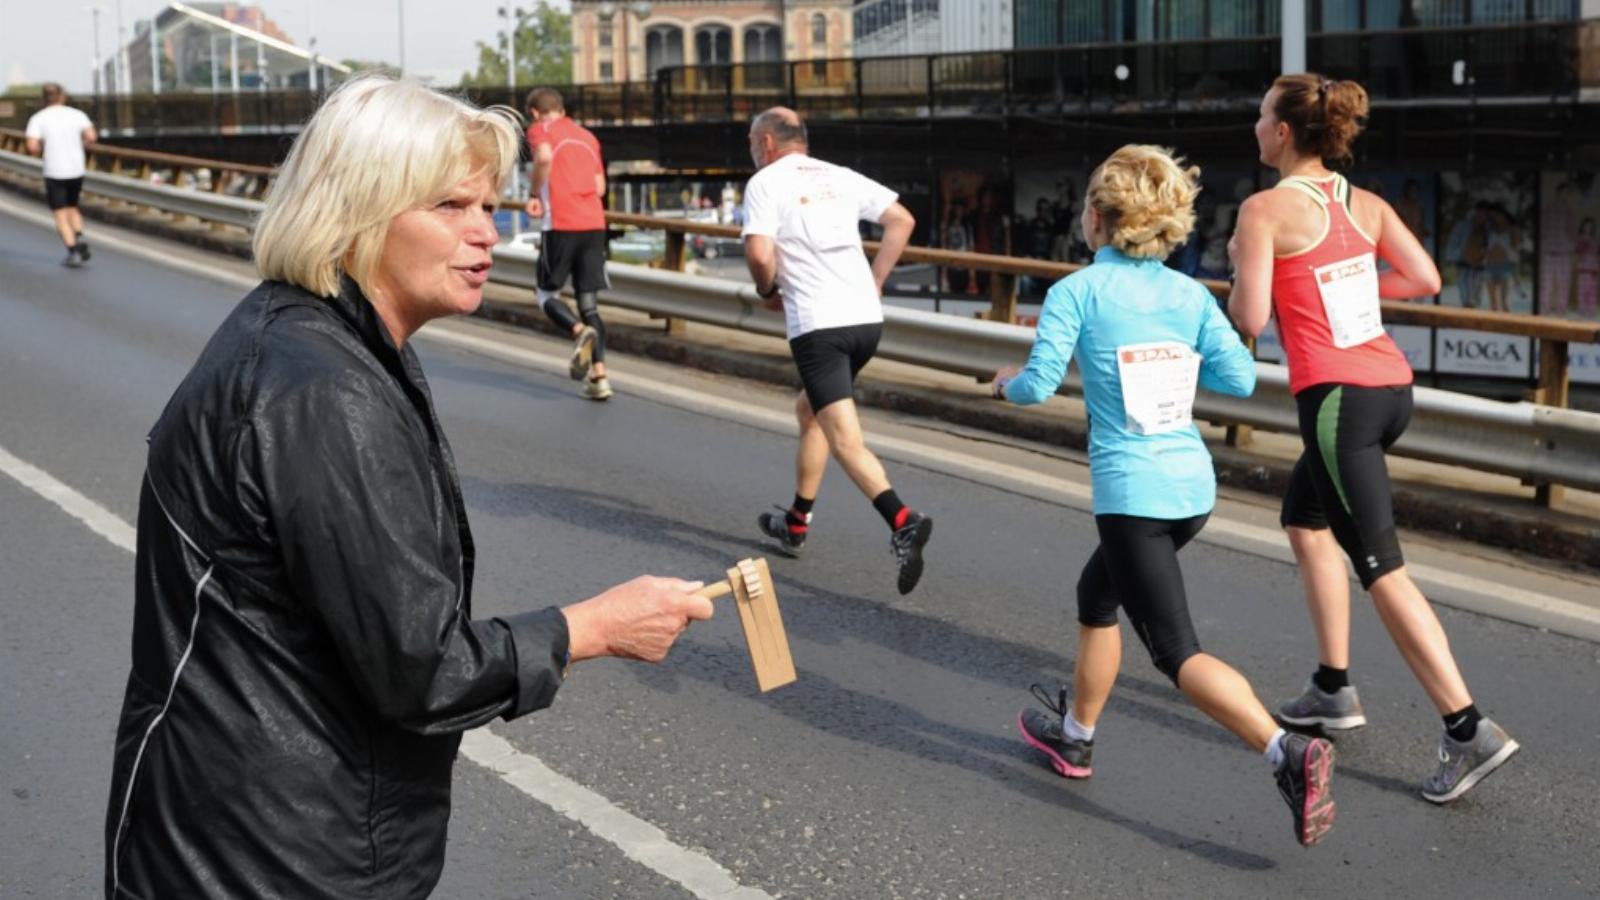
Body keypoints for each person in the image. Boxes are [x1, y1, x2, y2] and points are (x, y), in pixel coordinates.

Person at [104, 77, 714, 900]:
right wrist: (595, 627)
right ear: (359, 210)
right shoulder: (324, 387)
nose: (485, 234)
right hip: (269, 858)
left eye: (490, 207)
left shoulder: (312, 343)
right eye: (452, 207)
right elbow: (421, 667)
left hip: (244, 829)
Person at [996, 145, 1336, 848]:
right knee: (1097, 597)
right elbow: (1241, 382)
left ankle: (1285, 752)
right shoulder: (1188, 296)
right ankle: (1077, 737)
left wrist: (1004, 381)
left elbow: (1035, 385)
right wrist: (1176, 350)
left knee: (1176, 652)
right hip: (1190, 491)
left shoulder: (1077, 293)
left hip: (1134, 497)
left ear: (1096, 217)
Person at [1228, 74, 1518, 805]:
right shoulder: (1367, 203)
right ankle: (1332, 686)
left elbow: (1250, 319)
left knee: (1381, 568)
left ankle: (1466, 727)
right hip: (1389, 389)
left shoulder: (1263, 211)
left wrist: (1241, 264)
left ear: (1286, 132)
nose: (1256, 124)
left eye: (1263, 115)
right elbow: (1423, 276)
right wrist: (1347, 281)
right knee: (1304, 520)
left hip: (1337, 401)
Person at [740, 106, 934, 595]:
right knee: (811, 411)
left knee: (844, 437)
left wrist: (768, 291)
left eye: (750, 141)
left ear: (766, 142)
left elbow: (760, 254)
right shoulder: (838, 175)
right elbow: (902, 220)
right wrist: (876, 280)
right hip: (866, 321)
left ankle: (903, 520)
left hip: (819, 326)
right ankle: (797, 521)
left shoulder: (765, 182)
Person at [523, 87, 615, 400]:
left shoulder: (540, 130)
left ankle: (577, 331)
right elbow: (600, 186)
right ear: (561, 108)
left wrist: (535, 195)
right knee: (588, 303)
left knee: (545, 292)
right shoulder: (587, 136)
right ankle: (599, 377)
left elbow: (544, 156)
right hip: (593, 223)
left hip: (560, 222)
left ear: (535, 112)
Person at [23, 82, 97, 267]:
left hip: (55, 170)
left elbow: (31, 146)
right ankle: (79, 237)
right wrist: (81, 146)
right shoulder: (77, 115)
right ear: (62, 97)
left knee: (59, 213)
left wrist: (40, 148)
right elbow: (91, 137)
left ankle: (73, 250)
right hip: (76, 168)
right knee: (72, 206)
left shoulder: (38, 118)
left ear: (43, 99)